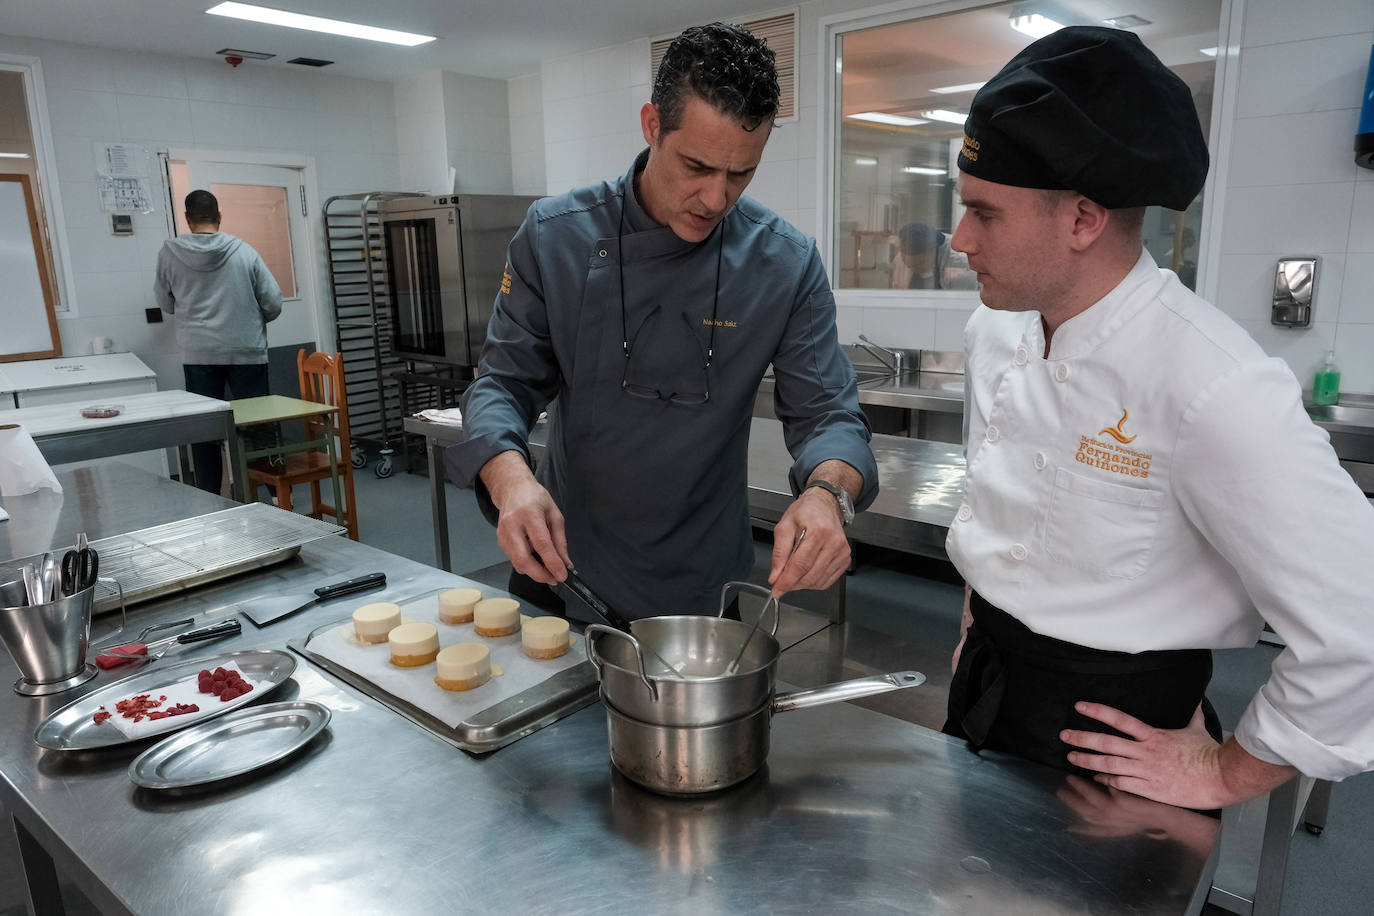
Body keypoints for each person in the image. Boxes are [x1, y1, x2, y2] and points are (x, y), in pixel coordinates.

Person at [941, 26, 1374, 810]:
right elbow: (996, 499)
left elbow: (1361, 625)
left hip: (1116, 742)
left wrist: (1227, 770)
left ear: (1082, 219)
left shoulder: (1215, 383)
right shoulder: (996, 329)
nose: (957, 238)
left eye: (984, 214)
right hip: (984, 684)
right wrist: (977, 623)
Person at [446, 22, 877, 621]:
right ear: (652, 126)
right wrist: (510, 479)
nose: (715, 199)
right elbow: (502, 383)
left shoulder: (784, 262)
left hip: (703, 586)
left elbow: (829, 413)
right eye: (696, 166)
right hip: (564, 566)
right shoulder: (556, 237)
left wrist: (828, 495)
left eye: (741, 174)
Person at [154, 189, 282, 493]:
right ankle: (274, 493)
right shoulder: (244, 251)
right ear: (219, 216)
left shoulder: (169, 254)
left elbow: (166, 302)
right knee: (257, 424)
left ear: (187, 218)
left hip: (199, 354)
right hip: (246, 351)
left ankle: (210, 497)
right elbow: (274, 301)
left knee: (205, 428)